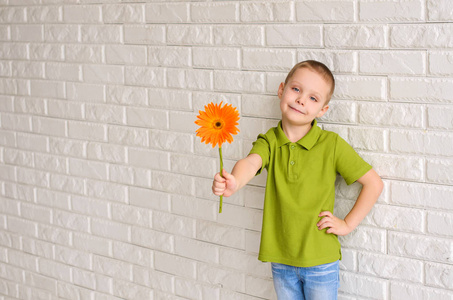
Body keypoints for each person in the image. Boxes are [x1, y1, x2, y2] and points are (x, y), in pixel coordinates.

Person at [212, 60, 384, 300]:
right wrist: (234, 181)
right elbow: (251, 162)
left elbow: (374, 183)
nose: (302, 99)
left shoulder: (331, 145)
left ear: (323, 110)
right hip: (281, 261)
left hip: (320, 262)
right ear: (281, 90)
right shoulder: (270, 140)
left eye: (313, 98)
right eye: (296, 89)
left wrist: (347, 224)